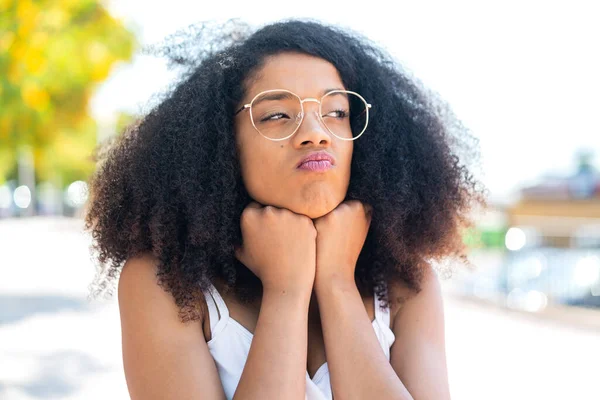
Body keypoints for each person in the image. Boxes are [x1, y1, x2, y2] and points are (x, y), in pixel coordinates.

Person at [84, 19, 486, 400]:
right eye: (277, 114)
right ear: (221, 144)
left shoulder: (405, 284)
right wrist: (286, 291)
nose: (315, 134)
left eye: (336, 112)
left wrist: (336, 282)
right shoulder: (164, 284)